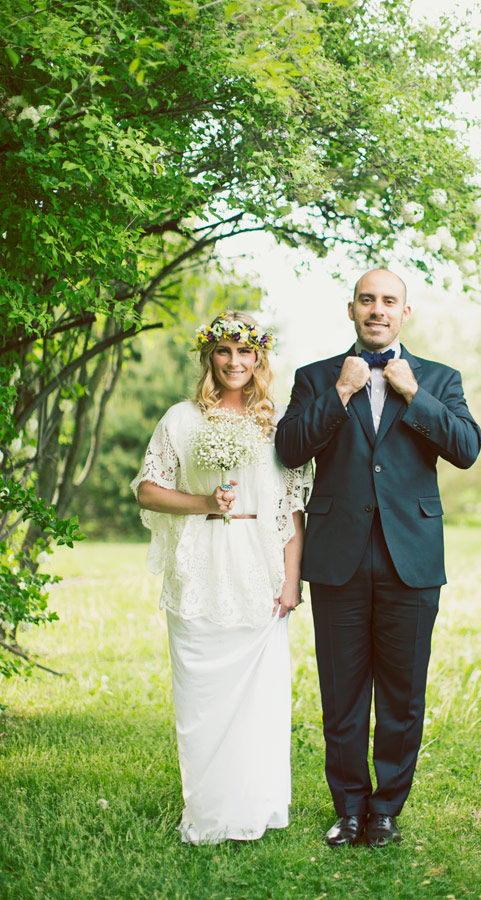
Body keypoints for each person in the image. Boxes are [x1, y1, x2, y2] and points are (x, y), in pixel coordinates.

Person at [275, 268, 481, 848]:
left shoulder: (440, 378)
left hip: (410, 560)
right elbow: (290, 449)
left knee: (402, 694)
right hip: (337, 556)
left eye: (389, 301)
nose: (378, 309)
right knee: (341, 695)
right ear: (351, 309)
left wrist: (415, 394)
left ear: (404, 312)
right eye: (367, 300)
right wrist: (340, 394)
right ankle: (347, 809)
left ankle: (386, 810)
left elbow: (466, 449)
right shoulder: (315, 377)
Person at [131, 310, 311, 845]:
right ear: (210, 357)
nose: (235, 362)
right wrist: (204, 501)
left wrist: (291, 579)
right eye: (225, 351)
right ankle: (208, 807)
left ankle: (255, 803)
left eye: (245, 351)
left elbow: (292, 507)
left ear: (259, 358)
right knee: (201, 695)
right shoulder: (181, 419)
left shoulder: (279, 424)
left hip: (260, 566)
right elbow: (147, 488)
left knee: (260, 695)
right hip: (201, 562)